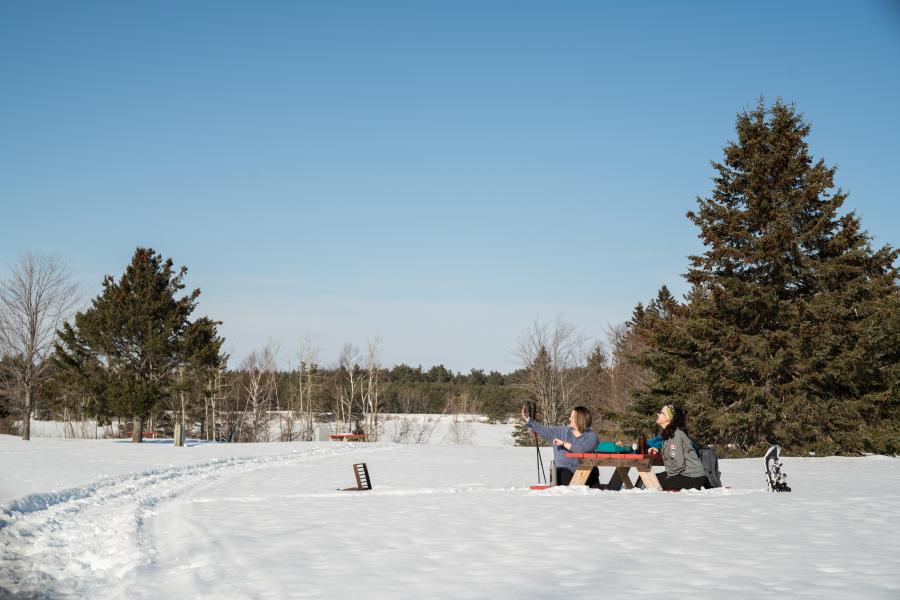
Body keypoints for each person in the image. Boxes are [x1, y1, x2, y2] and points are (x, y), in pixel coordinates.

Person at [521, 404, 600, 486]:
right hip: (564, 471)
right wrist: (528, 419)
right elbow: (543, 430)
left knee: (593, 484)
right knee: (563, 475)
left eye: (572, 417)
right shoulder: (560, 432)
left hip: (587, 471)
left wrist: (564, 443)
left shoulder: (591, 436)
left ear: (580, 420)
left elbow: (582, 450)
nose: (569, 419)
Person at [648, 404, 708, 490]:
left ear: (668, 418)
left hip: (692, 478)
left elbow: (677, 463)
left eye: (661, 412)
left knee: (654, 484)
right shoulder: (670, 433)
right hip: (684, 474)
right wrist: (659, 450)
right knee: (652, 479)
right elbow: (674, 452)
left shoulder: (675, 435)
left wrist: (668, 477)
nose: (658, 414)